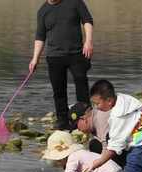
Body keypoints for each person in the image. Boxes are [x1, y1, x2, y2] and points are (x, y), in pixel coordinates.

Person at [29, 0, 94, 130]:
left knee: (81, 83)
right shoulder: (43, 11)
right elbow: (40, 36)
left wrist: (88, 41)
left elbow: (87, 21)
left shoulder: (75, 2)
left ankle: (86, 118)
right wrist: (35, 58)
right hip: (54, 56)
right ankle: (62, 121)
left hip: (76, 53)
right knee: (58, 91)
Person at [68, 101, 127, 166]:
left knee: (108, 142)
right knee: (94, 145)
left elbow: (107, 149)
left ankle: (126, 168)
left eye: (77, 126)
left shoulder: (100, 120)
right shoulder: (95, 117)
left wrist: (94, 167)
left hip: (135, 141)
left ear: (83, 119)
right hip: (124, 140)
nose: (78, 129)